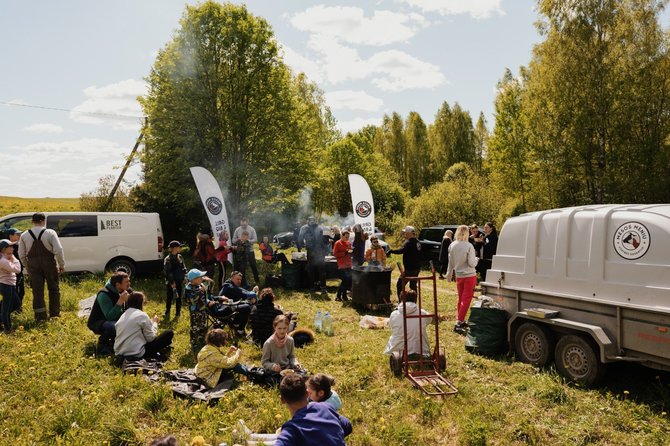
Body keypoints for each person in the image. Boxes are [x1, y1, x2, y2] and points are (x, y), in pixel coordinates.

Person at [275, 373, 352, 446]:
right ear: (307, 393)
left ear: (282, 400)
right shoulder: (326, 407)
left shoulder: (291, 429)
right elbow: (347, 425)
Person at [18, 212, 65, 321]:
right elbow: (58, 250)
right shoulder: (50, 232)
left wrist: (27, 266)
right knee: (53, 289)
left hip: (33, 266)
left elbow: (21, 254)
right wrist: (61, 264)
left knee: (37, 291)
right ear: (43, 221)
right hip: (49, 264)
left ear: (32, 222)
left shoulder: (24, 235)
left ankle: (40, 317)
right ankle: (54, 314)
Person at [114, 291, 174, 360]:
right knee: (169, 333)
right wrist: (155, 323)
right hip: (136, 352)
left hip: (120, 353)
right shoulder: (142, 315)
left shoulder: (123, 315)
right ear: (140, 303)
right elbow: (150, 338)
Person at [87, 271, 131, 355]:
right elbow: (110, 317)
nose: (129, 284)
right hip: (99, 322)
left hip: (118, 319)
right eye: (126, 282)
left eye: (129, 281)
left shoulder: (126, 289)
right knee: (117, 327)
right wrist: (120, 301)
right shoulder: (104, 294)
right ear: (118, 284)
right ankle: (104, 342)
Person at [446, 225, 479, 334]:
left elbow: (450, 263)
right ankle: (458, 322)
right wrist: (476, 260)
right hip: (469, 275)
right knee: (466, 299)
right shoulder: (469, 246)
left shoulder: (452, 245)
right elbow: (471, 263)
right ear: (467, 233)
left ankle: (460, 319)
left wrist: (449, 275)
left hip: (459, 275)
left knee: (461, 298)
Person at [384, 290, 432, 356]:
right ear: (415, 299)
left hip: (397, 349)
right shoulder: (422, 313)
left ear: (401, 299)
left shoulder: (394, 314)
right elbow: (430, 320)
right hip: (420, 349)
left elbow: (391, 326)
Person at [184, 268, 217, 353]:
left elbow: (204, 298)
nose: (202, 278)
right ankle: (194, 343)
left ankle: (203, 340)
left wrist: (208, 302)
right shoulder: (189, 289)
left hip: (202, 310)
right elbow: (191, 300)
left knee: (203, 326)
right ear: (194, 280)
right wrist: (200, 291)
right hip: (195, 312)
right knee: (195, 327)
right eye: (200, 277)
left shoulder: (199, 285)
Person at [217, 271, 257, 336]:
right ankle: (239, 330)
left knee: (245, 304)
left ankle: (236, 324)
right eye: (237, 279)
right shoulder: (230, 287)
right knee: (247, 307)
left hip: (228, 306)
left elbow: (242, 290)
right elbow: (244, 294)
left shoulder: (230, 285)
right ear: (232, 278)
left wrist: (252, 292)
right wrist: (254, 292)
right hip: (223, 309)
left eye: (240, 279)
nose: (239, 281)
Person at [388, 225, 422, 299]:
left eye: (405, 233)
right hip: (417, 268)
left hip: (409, 269)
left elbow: (401, 250)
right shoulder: (418, 242)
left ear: (409, 233)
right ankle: (413, 302)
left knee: (400, 284)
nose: (405, 234)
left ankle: (401, 302)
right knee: (413, 286)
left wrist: (391, 251)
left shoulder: (408, 242)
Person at [297, 217, 327, 294]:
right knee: (321, 270)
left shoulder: (304, 228)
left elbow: (300, 239)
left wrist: (301, 247)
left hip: (312, 251)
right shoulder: (320, 227)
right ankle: (322, 288)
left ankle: (313, 287)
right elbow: (326, 240)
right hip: (319, 251)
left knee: (311, 270)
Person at [0, 239, 21, 333]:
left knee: (17, 303)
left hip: (9, 285)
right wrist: (13, 258)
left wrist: (11, 258)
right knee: (6, 308)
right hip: (6, 285)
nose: (13, 248)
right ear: (4, 249)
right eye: (10, 246)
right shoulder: (3, 260)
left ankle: (2, 317)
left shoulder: (6, 258)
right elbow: (17, 269)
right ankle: (7, 328)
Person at [232, 217, 260, 285]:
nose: (243, 226)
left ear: (247, 223)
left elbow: (255, 239)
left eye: (245, 225)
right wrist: (239, 239)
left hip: (250, 251)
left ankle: (257, 280)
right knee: (241, 268)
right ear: (240, 223)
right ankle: (239, 282)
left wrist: (247, 241)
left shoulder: (252, 229)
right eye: (242, 225)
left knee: (253, 266)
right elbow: (233, 240)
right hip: (240, 253)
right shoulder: (237, 229)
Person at [163, 240, 186, 319]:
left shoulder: (180, 257)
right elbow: (167, 272)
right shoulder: (168, 259)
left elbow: (183, 267)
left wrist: (185, 276)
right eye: (180, 247)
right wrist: (172, 282)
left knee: (179, 296)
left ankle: (178, 312)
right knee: (169, 296)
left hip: (179, 280)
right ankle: (167, 310)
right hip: (170, 282)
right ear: (175, 248)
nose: (181, 248)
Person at [332, 228, 352, 302]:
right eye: (346, 237)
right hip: (342, 265)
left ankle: (344, 296)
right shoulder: (338, 243)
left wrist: (351, 252)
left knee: (348, 281)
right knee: (345, 280)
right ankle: (338, 296)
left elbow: (349, 251)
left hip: (348, 264)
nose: (347, 238)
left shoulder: (348, 243)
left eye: (348, 237)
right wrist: (344, 253)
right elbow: (335, 254)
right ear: (342, 236)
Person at [6, 228, 24, 312]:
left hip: (19, 272)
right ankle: (14, 308)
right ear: (10, 236)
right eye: (17, 234)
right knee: (14, 292)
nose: (19, 236)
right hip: (12, 273)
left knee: (21, 291)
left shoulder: (18, 245)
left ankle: (17, 308)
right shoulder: (7, 248)